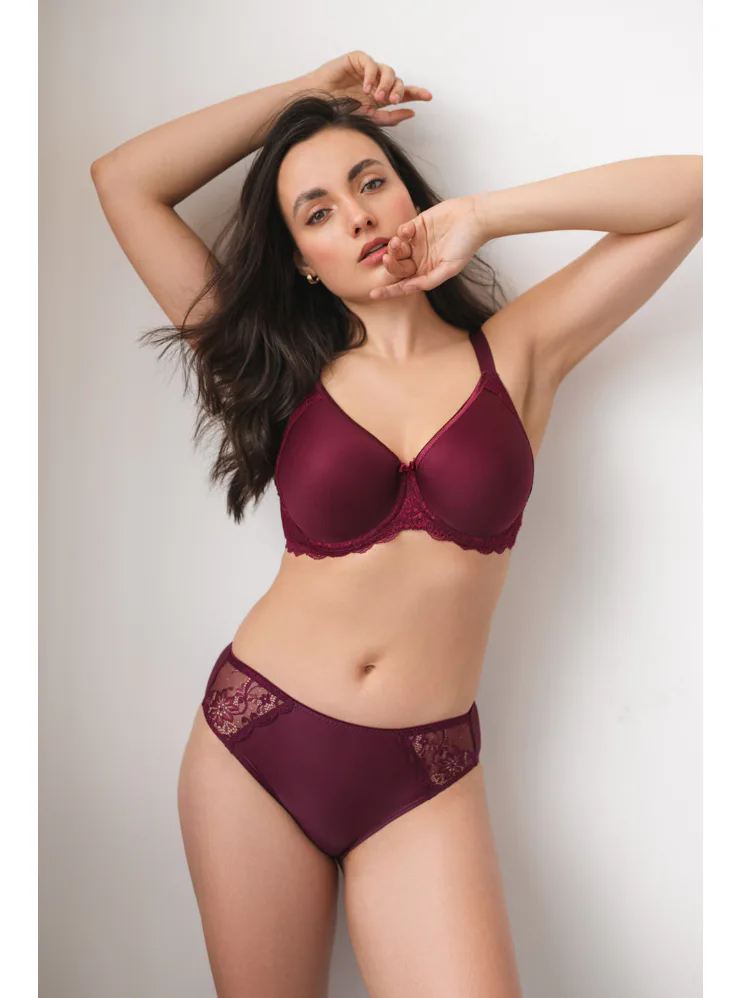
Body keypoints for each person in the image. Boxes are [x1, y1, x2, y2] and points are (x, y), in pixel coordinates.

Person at [90, 49, 703, 998]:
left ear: (411, 195)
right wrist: (303, 97)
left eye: (370, 181)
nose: (358, 215)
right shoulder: (275, 365)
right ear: (303, 261)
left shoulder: (519, 355)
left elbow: (697, 191)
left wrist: (485, 214)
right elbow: (123, 180)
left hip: (425, 771)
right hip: (257, 745)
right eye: (318, 212)